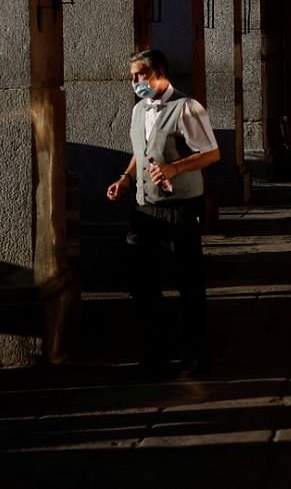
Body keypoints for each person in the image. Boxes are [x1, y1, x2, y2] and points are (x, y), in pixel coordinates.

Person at [106, 48, 221, 373]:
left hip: (180, 207)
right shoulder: (139, 110)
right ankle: (158, 348)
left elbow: (211, 153)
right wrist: (125, 179)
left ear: (158, 74)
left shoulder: (187, 107)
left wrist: (174, 168)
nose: (133, 82)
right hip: (145, 208)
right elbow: (140, 149)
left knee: (188, 281)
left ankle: (195, 353)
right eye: (132, 76)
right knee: (142, 282)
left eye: (138, 75)